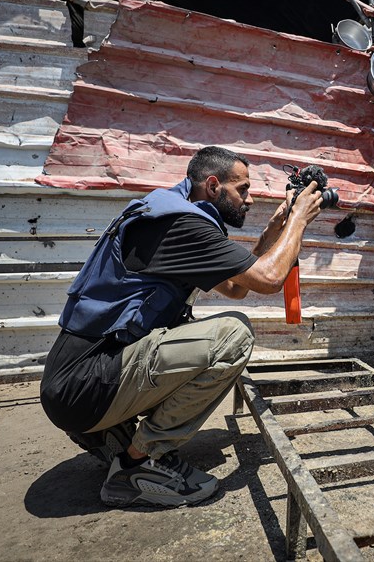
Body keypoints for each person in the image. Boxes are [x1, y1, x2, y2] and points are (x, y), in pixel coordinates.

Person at [40, 146, 323, 507]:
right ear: (213, 185)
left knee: (206, 330)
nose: (249, 200)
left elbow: (237, 288)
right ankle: (136, 465)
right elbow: (268, 279)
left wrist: (272, 232)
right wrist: (299, 220)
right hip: (83, 390)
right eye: (243, 190)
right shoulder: (183, 227)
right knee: (233, 336)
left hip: (73, 384)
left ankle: (112, 435)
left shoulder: (167, 214)